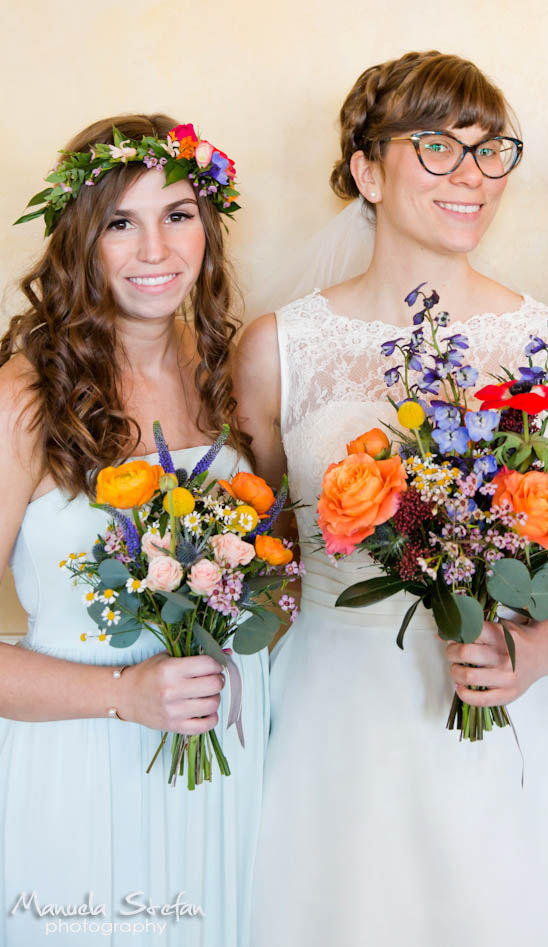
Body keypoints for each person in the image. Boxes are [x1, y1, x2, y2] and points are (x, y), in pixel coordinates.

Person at [237, 50, 548, 947]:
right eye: (437, 149)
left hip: (512, 708)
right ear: (366, 171)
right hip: (337, 722)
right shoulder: (277, 350)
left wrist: (544, 646)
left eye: (492, 151)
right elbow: (268, 551)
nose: (475, 177)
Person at [0, 114, 268, 947]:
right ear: (82, 239)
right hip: (82, 762)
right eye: (122, 222)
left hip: (223, 754)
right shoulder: (25, 398)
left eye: (178, 214)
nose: (156, 249)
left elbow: (276, 560)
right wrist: (122, 695)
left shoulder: (227, 373)